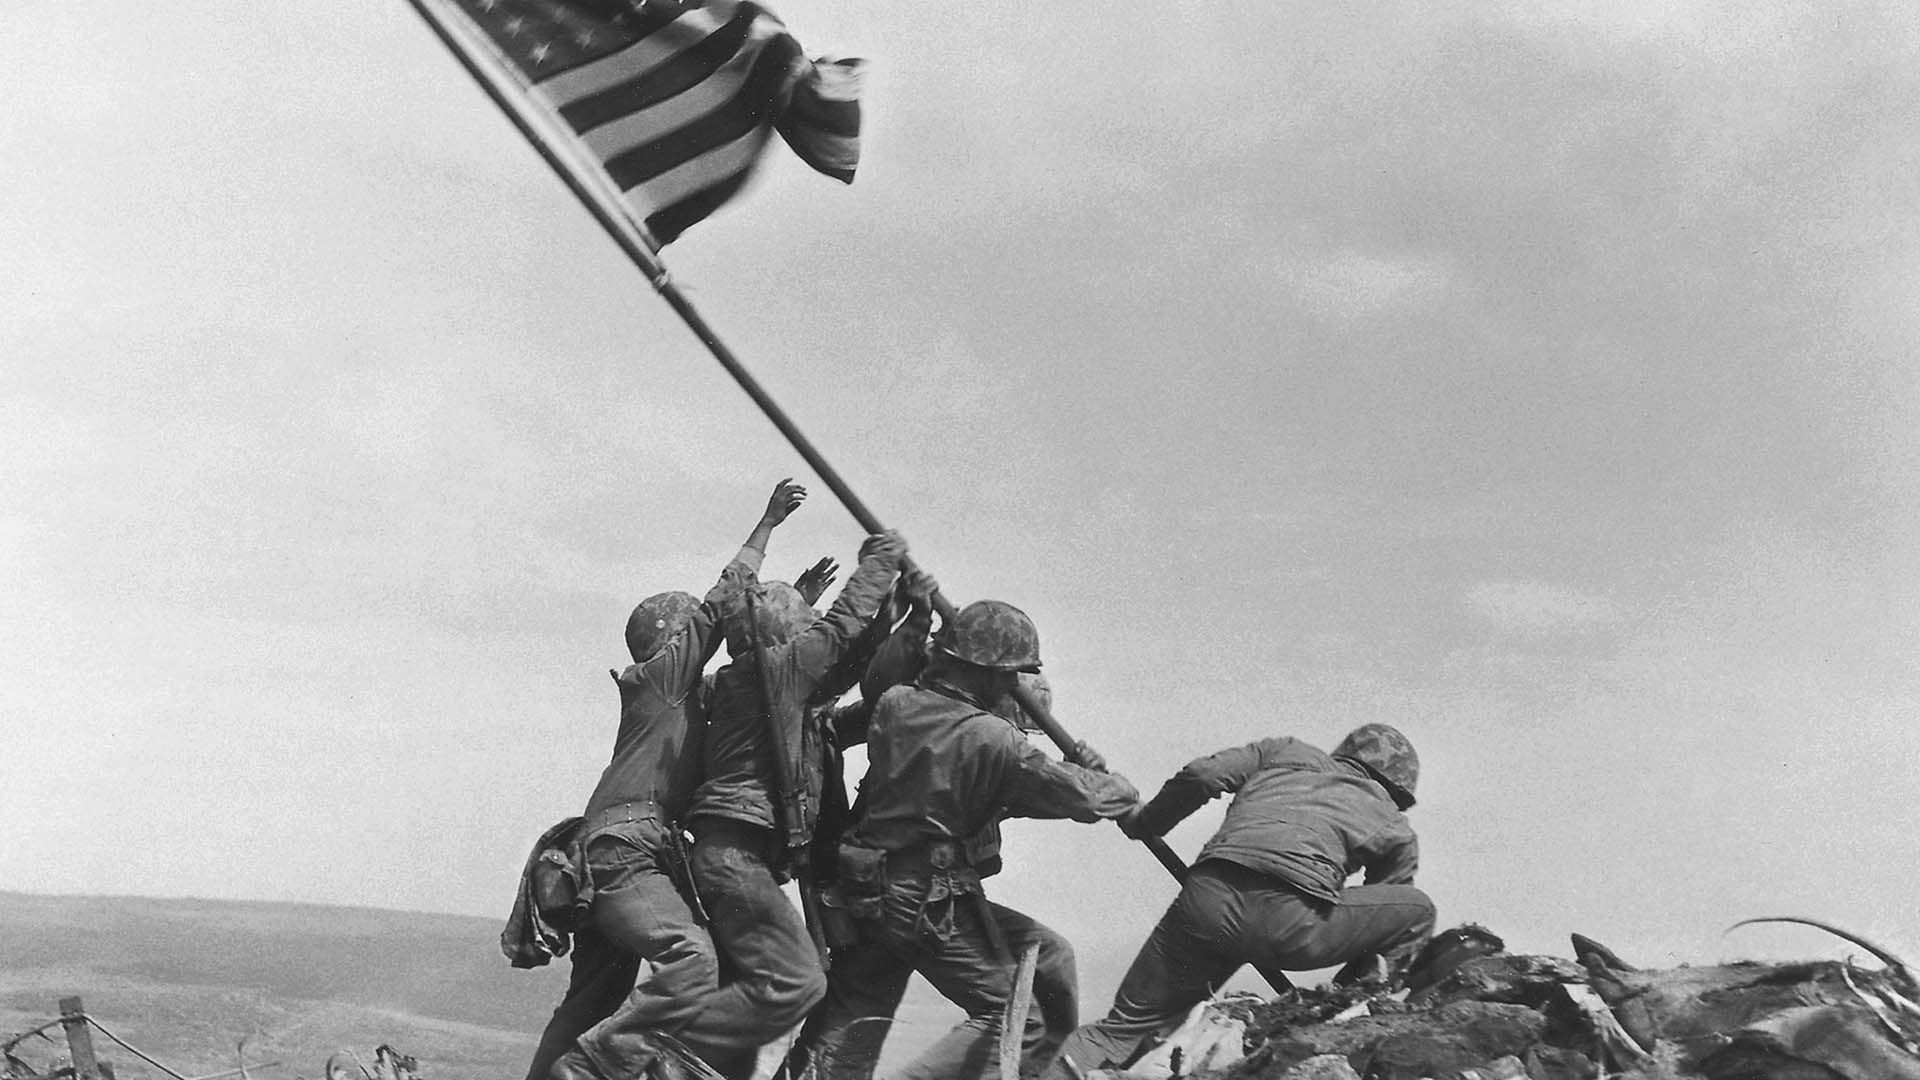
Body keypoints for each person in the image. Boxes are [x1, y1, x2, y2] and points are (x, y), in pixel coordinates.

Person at [531, 479, 811, 1080]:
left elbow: (765, 681)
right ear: (672, 638)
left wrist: (784, 619)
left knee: (594, 999)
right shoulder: (657, 680)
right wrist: (765, 527)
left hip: (627, 852)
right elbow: (719, 605)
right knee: (694, 960)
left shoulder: (684, 698)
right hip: (624, 851)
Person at [805, 600, 1141, 1080]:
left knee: (850, 1024)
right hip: (928, 900)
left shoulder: (899, 705)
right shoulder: (991, 740)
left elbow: (997, 790)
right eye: (1009, 675)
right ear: (987, 672)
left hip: (869, 890)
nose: (1012, 686)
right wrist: (1112, 783)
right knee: (1017, 1017)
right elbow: (1084, 798)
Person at [1045, 724, 1435, 1079]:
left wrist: (1148, 823)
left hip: (1207, 903)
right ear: (1397, 789)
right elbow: (1378, 930)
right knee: (1417, 909)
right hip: (1293, 925)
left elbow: (1202, 775)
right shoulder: (1394, 824)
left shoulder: (1285, 751)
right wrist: (1343, 995)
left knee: (1122, 1028)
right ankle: (1344, 1012)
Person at [676, 528, 914, 1079]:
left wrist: (900, 610)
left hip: (736, 854)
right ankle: (653, 1047)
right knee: (798, 982)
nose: (813, 632)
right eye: (803, 622)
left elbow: (848, 664)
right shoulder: (775, 673)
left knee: (747, 1001)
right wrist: (880, 564)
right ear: (783, 636)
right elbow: (842, 630)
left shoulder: (757, 684)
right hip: (736, 856)